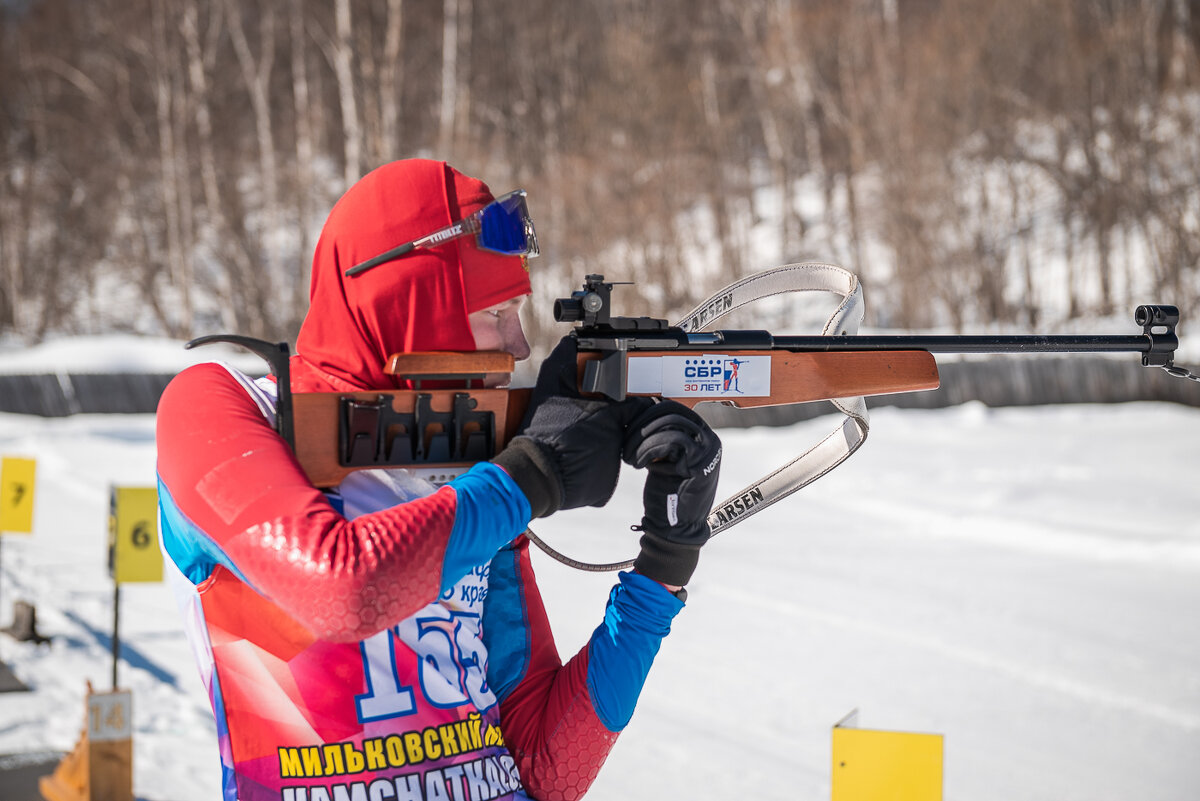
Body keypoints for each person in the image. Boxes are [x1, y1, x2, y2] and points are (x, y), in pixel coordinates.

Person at [155, 158, 722, 801]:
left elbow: (543, 769)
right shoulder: (220, 407)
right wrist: (528, 477)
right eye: (496, 312)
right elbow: (343, 591)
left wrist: (663, 568)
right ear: (410, 305)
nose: (519, 345)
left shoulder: (474, 467)